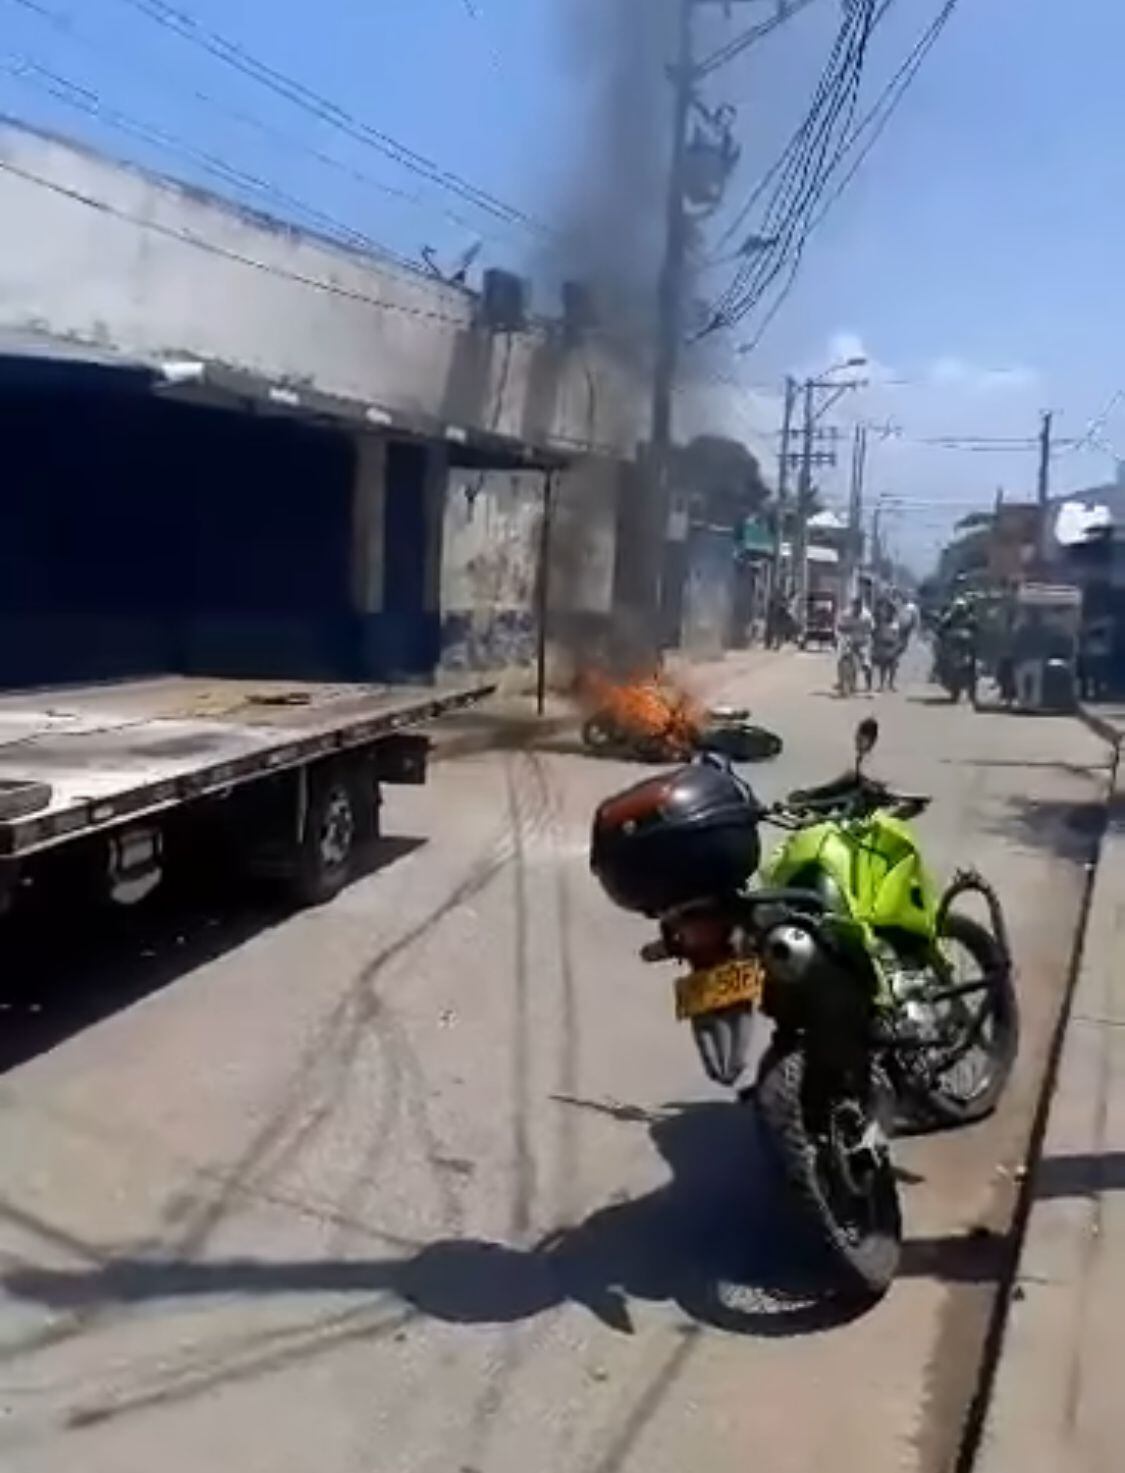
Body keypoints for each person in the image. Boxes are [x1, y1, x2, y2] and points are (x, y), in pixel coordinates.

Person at [838, 596, 874, 693]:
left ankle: (869, 686)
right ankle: (848, 684)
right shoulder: (847, 614)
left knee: (866, 664)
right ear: (853, 606)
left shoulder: (867, 615)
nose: (857, 609)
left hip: (863, 642)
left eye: (859, 606)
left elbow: (872, 628)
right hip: (850, 641)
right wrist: (845, 629)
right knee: (845, 661)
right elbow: (839, 626)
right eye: (855, 606)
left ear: (862, 606)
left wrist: (865, 632)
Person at [872, 599, 902, 692]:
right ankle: (882, 685)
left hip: (892, 646)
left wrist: (896, 646)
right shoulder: (881, 621)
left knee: (892, 667)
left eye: (891, 611)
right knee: (883, 667)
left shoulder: (895, 623)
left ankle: (891, 684)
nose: (889, 613)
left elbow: (896, 636)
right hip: (883, 646)